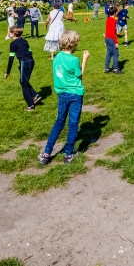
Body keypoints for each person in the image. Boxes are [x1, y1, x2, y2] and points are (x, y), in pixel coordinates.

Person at [38, 30, 90, 165]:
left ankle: (46, 153)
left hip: (62, 94)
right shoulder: (74, 60)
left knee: (59, 122)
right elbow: (80, 75)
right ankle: (68, 154)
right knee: (73, 124)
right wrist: (84, 60)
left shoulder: (56, 58)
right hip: (75, 94)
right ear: (73, 44)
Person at [5, 26, 40, 110]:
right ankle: (35, 95)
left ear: (13, 34)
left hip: (25, 62)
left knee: (23, 83)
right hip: (31, 61)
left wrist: (8, 72)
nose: (8, 33)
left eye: (9, 32)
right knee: (24, 81)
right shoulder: (25, 41)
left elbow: (11, 59)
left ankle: (30, 106)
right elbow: (30, 51)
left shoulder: (13, 44)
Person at [104, 7, 122, 73]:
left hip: (107, 39)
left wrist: (105, 40)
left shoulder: (108, 19)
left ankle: (107, 68)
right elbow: (112, 32)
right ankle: (115, 68)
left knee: (108, 53)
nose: (117, 13)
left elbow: (106, 30)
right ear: (114, 13)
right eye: (116, 12)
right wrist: (116, 42)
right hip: (111, 39)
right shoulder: (113, 20)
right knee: (115, 53)